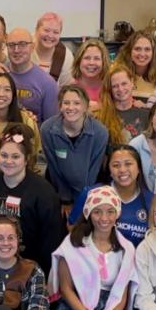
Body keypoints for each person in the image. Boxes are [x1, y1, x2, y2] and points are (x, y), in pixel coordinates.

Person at [50, 186, 139, 310]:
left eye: (110, 212)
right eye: (97, 212)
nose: (104, 218)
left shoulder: (126, 248)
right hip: (75, 308)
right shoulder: (73, 243)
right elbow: (66, 290)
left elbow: (122, 292)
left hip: (108, 307)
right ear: (88, 214)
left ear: (117, 214)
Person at [0, 125, 66, 272]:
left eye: (15, 157)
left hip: (30, 267)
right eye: (4, 155)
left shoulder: (44, 192)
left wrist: (41, 274)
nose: (8, 161)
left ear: (26, 159)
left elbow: (51, 241)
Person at [41, 85, 108, 214]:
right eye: (66, 103)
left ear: (85, 107)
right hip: (58, 193)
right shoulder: (47, 129)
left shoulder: (100, 133)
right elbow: (54, 170)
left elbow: (93, 173)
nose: (71, 107)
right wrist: (65, 199)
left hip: (88, 195)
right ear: (60, 106)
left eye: (77, 103)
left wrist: (79, 204)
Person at [70, 145, 154, 247]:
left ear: (139, 168)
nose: (122, 169)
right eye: (116, 165)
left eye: (128, 164)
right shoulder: (91, 193)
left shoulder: (152, 201)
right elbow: (72, 227)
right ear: (109, 170)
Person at [0, 72, 41, 162]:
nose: (1, 94)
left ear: (13, 95)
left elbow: (36, 156)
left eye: (7, 89)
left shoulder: (27, 120)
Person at [6, 27, 59, 122]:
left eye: (22, 44)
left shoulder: (48, 84)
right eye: (11, 45)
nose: (16, 50)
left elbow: (51, 125)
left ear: (32, 47)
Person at [96, 65, 149, 146]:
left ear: (132, 82)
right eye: (115, 86)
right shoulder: (101, 116)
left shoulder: (146, 115)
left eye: (124, 84)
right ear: (110, 89)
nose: (120, 89)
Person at [115, 30, 156, 103]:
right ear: (129, 51)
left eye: (147, 49)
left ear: (153, 53)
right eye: (137, 49)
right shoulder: (116, 70)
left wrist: (146, 106)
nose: (142, 54)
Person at [58, 39, 110, 108]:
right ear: (79, 61)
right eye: (87, 58)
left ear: (104, 62)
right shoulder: (69, 87)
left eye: (96, 58)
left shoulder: (110, 86)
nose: (91, 62)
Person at [33, 12, 73, 81]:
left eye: (55, 32)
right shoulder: (24, 46)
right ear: (36, 30)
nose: (50, 35)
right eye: (46, 30)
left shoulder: (66, 57)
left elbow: (65, 86)